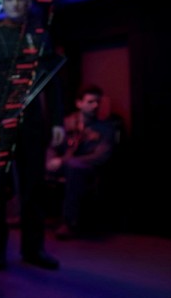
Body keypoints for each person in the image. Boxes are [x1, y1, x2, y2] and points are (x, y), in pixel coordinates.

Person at [0, 0, 65, 270]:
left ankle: (33, 249)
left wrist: (58, 121)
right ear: (3, 3)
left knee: (33, 186)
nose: (15, 3)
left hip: (32, 121)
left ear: (28, 2)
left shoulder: (40, 37)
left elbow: (52, 82)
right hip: (0, 122)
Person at [46, 84, 115, 240]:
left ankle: (69, 222)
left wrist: (66, 161)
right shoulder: (67, 123)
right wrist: (50, 160)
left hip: (87, 167)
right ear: (79, 103)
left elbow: (101, 156)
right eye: (90, 102)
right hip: (64, 164)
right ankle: (22, 213)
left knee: (74, 168)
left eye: (97, 102)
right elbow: (53, 146)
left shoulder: (105, 128)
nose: (95, 106)